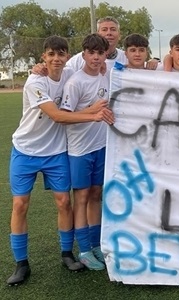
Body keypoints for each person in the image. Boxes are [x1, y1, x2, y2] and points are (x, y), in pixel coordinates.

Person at [7, 35, 113, 285]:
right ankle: (21, 263)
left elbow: (93, 61)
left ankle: (67, 253)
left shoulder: (68, 73)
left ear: (67, 57)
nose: (56, 59)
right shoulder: (35, 81)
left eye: (61, 54)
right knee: (20, 205)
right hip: (25, 150)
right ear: (43, 56)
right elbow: (58, 116)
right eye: (51, 55)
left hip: (55, 151)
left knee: (65, 202)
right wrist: (94, 114)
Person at [61, 33, 113, 271]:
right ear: (83, 54)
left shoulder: (106, 76)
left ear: (105, 55)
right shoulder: (75, 81)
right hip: (80, 150)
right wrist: (91, 112)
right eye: (91, 53)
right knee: (80, 198)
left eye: (99, 53)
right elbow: (64, 118)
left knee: (96, 195)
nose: (95, 57)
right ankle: (82, 250)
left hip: (100, 147)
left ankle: (95, 245)